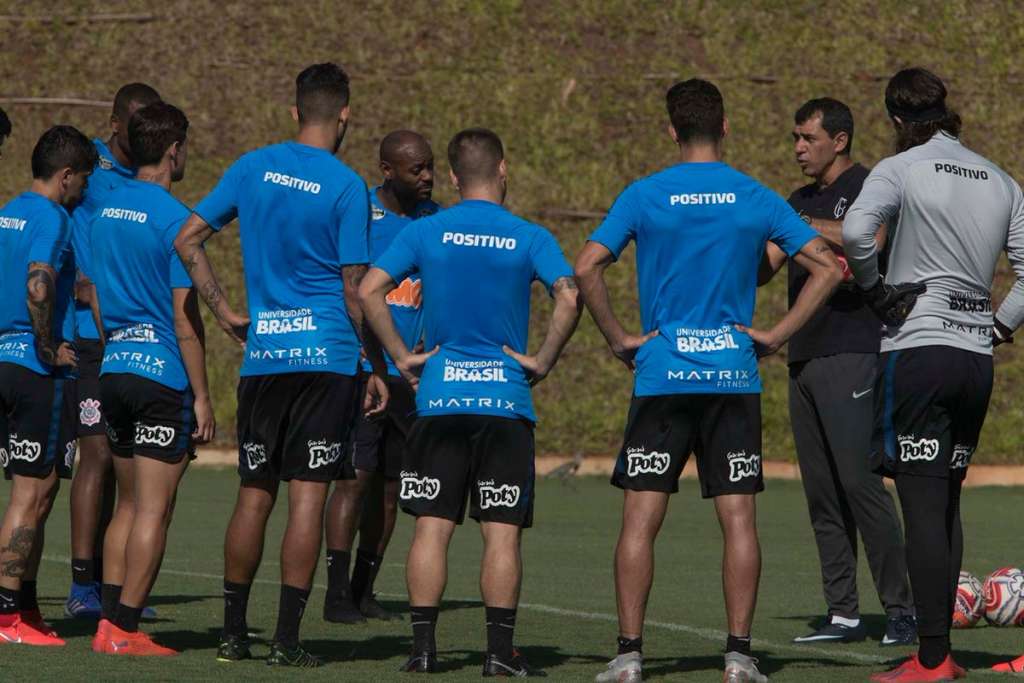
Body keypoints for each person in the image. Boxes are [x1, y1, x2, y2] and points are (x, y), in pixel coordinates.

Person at [575, 79, 843, 683]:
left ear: (672, 131)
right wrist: (776, 334)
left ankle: (628, 655)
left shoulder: (645, 195)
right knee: (739, 522)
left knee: (640, 521)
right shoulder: (755, 196)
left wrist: (618, 338)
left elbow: (587, 264)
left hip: (663, 378)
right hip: (732, 378)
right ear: (725, 128)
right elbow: (826, 266)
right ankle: (739, 656)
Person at [174, 62, 386, 668]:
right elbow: (352, 289)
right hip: (327, 360)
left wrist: (223, 313)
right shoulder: (347, 186)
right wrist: (373, 362)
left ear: (295, 112)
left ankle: (232, 634)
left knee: (253, 495)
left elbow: (187, 239)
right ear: (344, 115)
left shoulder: (250, 167)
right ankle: (286, 642)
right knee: (308, 500)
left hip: (265, 358)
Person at [359, 127, 581, 676]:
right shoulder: (529, 236)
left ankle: (424, 650)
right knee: (500, 532)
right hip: (504, 404)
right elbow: (569, 294)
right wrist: (543, 359)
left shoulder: (428, 231)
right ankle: (498, 653)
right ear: (502, 169)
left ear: (454, 178)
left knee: (431, 526)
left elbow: (368, 289)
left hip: (438, 402)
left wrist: (398, 358)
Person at [842, 67, 1024, 682]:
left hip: (918, 350)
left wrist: (874, 292)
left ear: (897, 121)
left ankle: (931, 659)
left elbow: (855, 232)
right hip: (976, 358)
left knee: (920, 506)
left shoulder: (902, 167)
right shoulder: (1002, 179)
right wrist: (999, 327)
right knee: (946, 502)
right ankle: (937, 652)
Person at [758, 97, 915, 645]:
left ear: (839, 140)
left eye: (807, 137)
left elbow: (869, 242)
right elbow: (764, 269)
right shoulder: (796, 199)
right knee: (822, 493)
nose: (798, 147)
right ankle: (843, 612)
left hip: (854, 350)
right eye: (795, 138)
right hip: (802, 354)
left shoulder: (874, 186)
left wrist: (798, 225)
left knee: (860, 485)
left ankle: (902, 611)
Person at [88, 102, 213, 656]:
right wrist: (204, 395)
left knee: (128, 506)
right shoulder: (176, 220)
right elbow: (186, 320)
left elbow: (93, 298)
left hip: (112, 369)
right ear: (173, 150)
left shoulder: (103, 211)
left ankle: (107, 621)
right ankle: (125, 629)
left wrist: (117, 344)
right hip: (160, 376)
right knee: (155, 509)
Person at [323, 130, 439, 624]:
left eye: (431, 166)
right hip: (365, 373)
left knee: (393, 487)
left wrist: (430, 337)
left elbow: (445, 288)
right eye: (417, 169)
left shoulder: (437, 222)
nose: (428, 176)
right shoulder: (362, 215)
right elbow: (348, 292)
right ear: (387, 170)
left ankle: (364, 589)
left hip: (412, 380)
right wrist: (370, 359)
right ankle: (334, 595)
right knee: (355, 480)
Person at [65, 82, 163, 620]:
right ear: (115, 123)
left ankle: (112, 582)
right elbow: (52, 208)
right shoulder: (87, 166)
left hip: (130, 339)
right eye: (137, 123)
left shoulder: (146, 183)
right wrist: (68, 280)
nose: (145, 133)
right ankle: (82, 586)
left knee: (123, 463)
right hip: (84, 335)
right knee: (97, 453)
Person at [0, 125, 96, 646]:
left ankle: (27, 605)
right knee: (30, 492)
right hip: (34, 370)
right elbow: (39, 283)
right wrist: (44, 346)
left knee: (42, 488)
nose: (83, 192)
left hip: (1, 361)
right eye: (81, 182)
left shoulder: (5, 211)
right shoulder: (53, 217)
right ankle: (6, 615)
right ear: (64, 176)